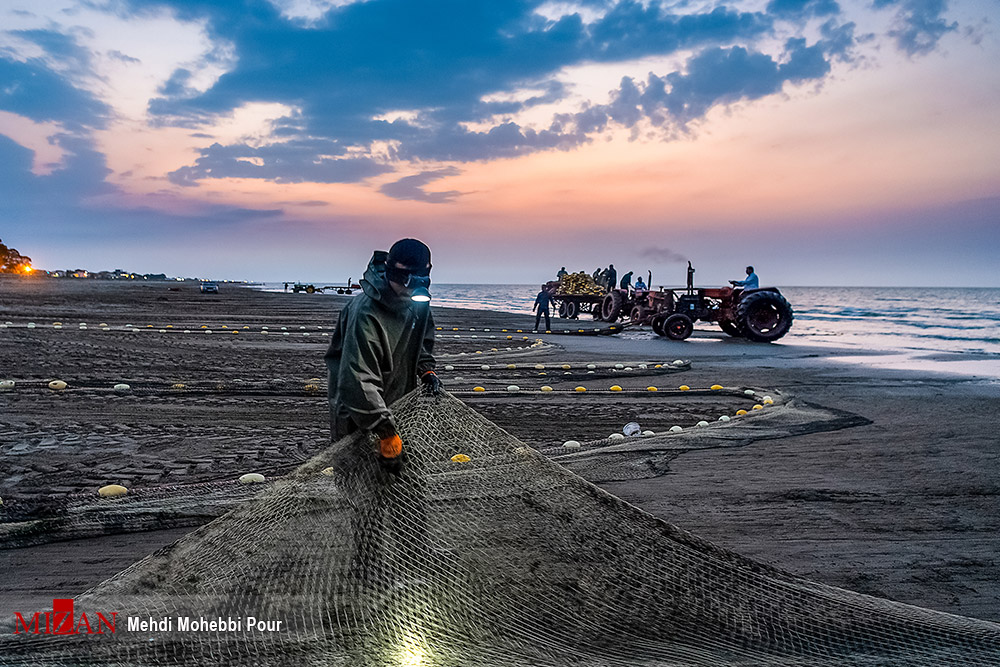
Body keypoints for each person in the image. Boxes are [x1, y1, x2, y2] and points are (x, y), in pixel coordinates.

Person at [324, 238, 440, 478]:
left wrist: (426, 369)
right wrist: (385, 431)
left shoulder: (418, 301)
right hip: (359, 414)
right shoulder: (365, 314)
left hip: (398, 405)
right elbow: (357, 381)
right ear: (391, 273)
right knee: (363, 491)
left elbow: (421, 340)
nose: (410, 290)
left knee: (406, 485)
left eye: (418, 281)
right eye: (405, 280)